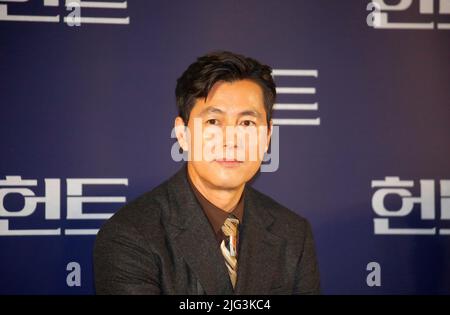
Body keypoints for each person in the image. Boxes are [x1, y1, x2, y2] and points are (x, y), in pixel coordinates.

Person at [93, 50, 320, 294]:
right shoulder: (131, 235)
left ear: (267, 137)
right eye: (213, 122)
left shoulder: (294, 233)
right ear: (182, 134)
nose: (231, 140)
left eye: (247, 123)